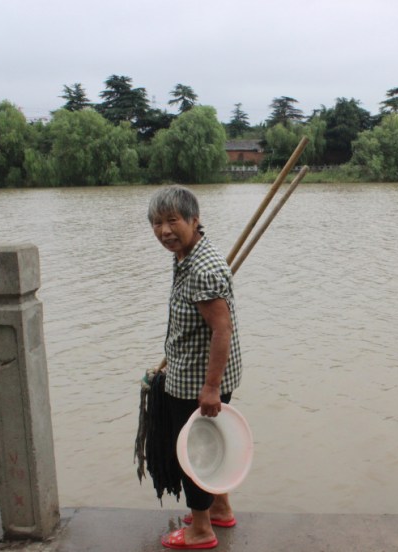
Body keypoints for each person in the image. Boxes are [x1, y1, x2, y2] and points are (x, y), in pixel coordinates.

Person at [147, 185, 242, 550]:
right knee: (211, 446)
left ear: (194, 219)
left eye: (172, 221)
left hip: (197, 383)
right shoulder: (188, 255)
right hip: (196, 372)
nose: (164, 231)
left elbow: (222, 329)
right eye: (157, 223)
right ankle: (219, 507)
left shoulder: (202, 267)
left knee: (194, 454)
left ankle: (201, 530)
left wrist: (211, 388)